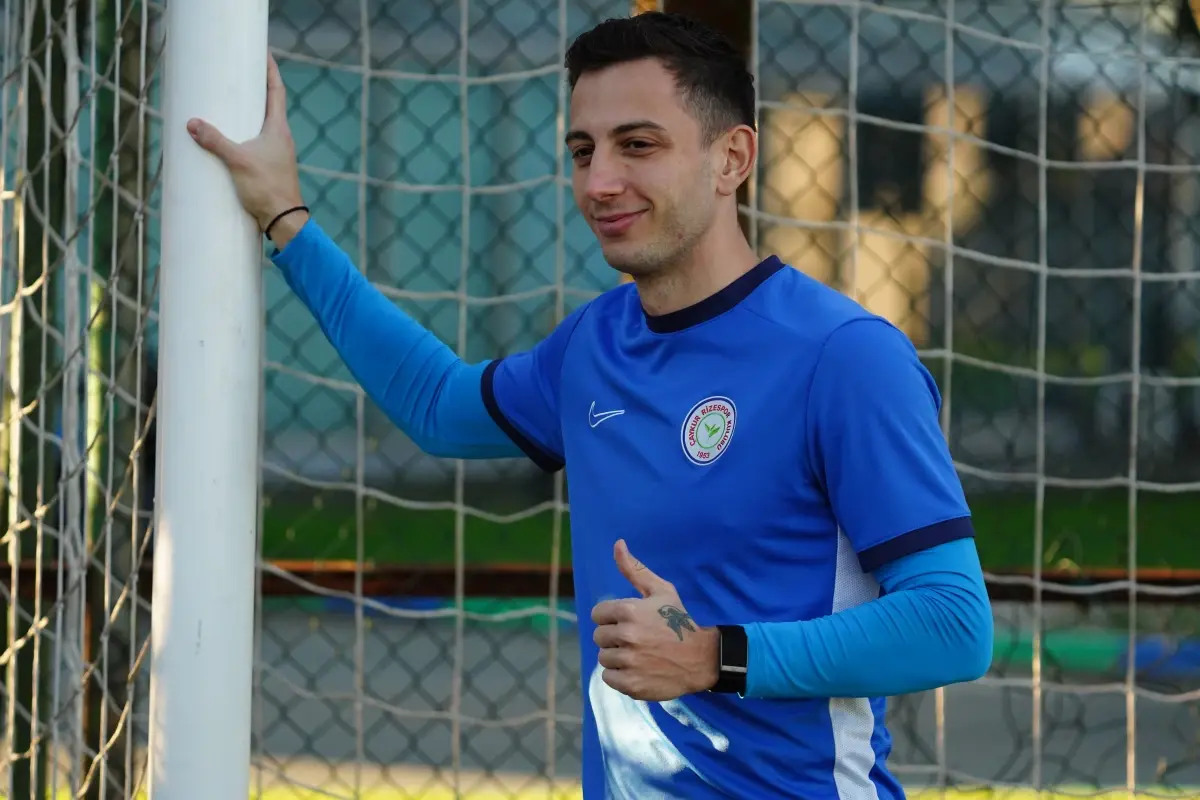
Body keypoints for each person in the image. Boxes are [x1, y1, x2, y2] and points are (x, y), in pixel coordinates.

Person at [187, 12, 993, 799]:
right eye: (583, 150)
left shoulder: (844, 356)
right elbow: (437, 404)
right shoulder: (593, 345)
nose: (600, 181)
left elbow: (954, 623)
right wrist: (287, 220)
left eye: (638, 145)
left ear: (732, 158)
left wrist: (713, 656)